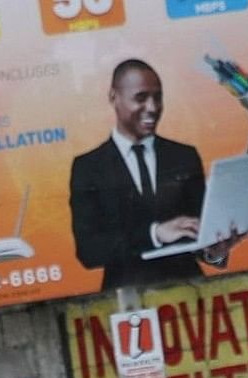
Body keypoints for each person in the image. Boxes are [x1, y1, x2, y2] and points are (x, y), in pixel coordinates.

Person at [66, 60, 234, 295]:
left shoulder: (184, 156)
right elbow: (89, 251)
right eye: (141, 97)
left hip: (191, 295)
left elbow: (200, 239)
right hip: (128, 300)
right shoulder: (89, 168)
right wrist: (154, 233)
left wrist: (215, 252)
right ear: (114, 97)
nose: (153, 107)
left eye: (158, 97)